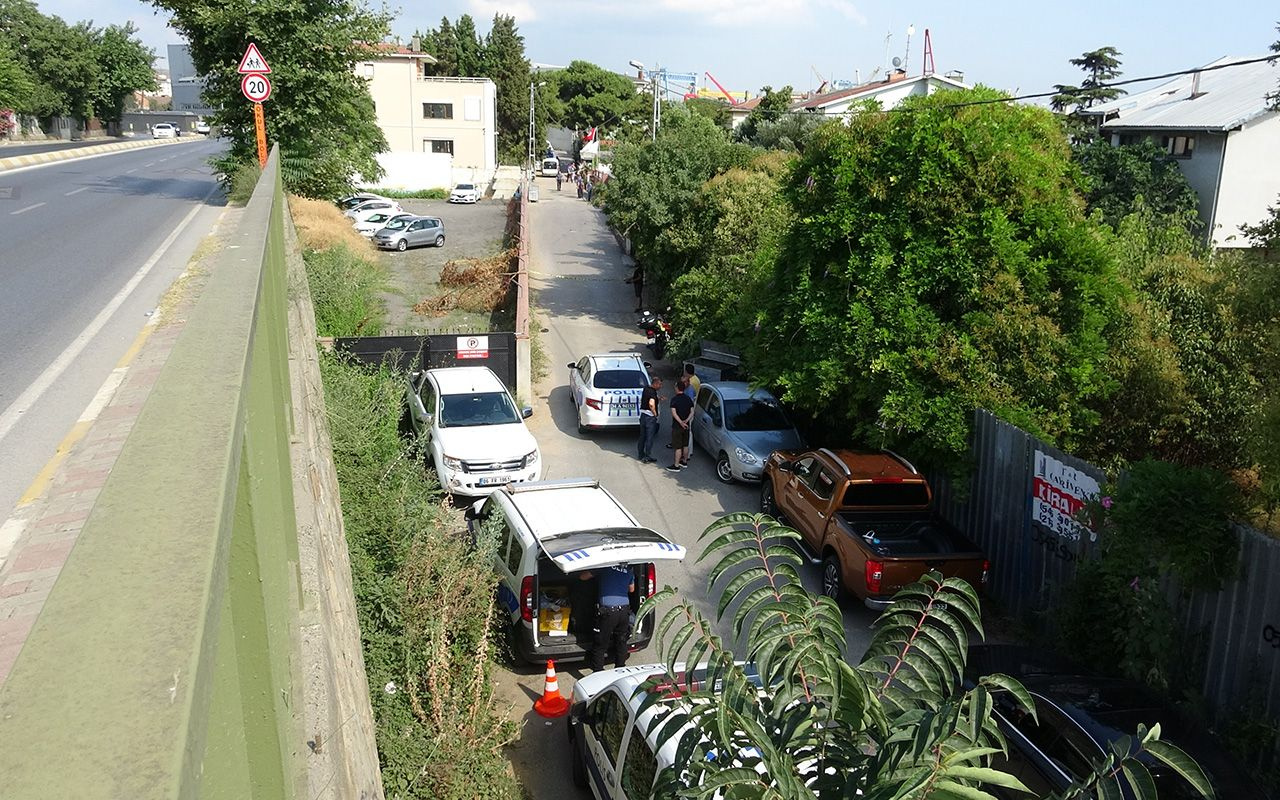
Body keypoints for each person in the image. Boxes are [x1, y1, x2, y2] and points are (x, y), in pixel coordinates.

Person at [579, 564, 635, 670]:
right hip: (624, 611)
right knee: (621, 641)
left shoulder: (603, 566)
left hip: (608, 612)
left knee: (600, 645)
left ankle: (598, 672)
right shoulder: (628, 570)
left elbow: (583, 577)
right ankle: (620, 669)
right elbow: (631, 589)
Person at [668, 379, 695, 471]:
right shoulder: (688, 399)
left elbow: (674, 413)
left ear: (677, 388)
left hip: (677, 426)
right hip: (687, 426)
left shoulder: (674, 399)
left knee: (678, 447)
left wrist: (680, 422)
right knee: (685, 445)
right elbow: (692, 411)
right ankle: (684, 461)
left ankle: (676, 465)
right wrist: (686, 421)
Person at [637, 375, 661, 463]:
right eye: (659, 385)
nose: (660, 386)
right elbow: (651, 404)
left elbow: (649, 399)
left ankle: (640, 454)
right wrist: (655, 414)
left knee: (642, 436)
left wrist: (658, 399)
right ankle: (647, 456)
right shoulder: (653, 392)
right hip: (649, 417)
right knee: (649, 437)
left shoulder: (646, 388)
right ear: (655, 384)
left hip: (643, 415)